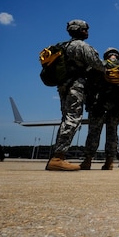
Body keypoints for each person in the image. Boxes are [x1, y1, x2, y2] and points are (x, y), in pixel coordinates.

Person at [46, 19, 104, 171]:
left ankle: (57, 155)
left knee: (66, 118)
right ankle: (58, 157)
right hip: (76, 86)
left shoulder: (62, 46)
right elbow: (98, 65)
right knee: (73, 119)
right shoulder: (81, 46)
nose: (87, 32)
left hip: (63, 85)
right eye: (85, 29)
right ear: (79, 30)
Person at [82, 47, 119, 170]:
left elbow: (88, 84)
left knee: (94, 131)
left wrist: (89, 101)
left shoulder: (99, 65)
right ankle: (109, 162)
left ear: (106, 56)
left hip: (99, 104)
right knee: (112, 132)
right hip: (116, 106)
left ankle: (88, 160)